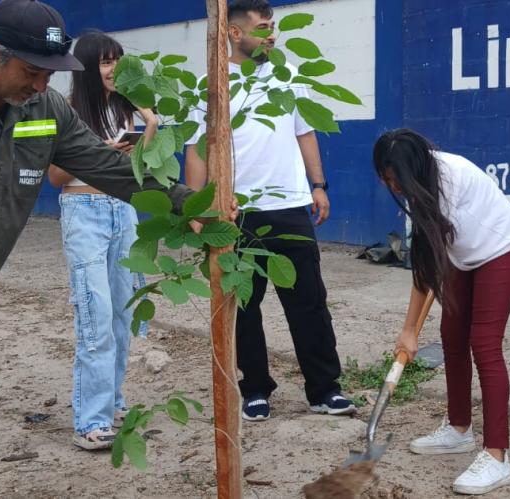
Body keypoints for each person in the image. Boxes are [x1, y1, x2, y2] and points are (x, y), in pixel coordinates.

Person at [0, 0, 192, 496]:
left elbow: (112, 170)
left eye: (50, 75)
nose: (41, 86)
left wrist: (195, 206)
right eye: (33, 72)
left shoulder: (41, 107)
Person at [183, 0, 355, 421]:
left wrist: (319, 186)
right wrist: (194, 206)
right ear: (235, 33)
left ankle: (324, 389)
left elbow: (305, 133)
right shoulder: (211, 85)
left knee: (309, 303)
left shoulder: (288, 77)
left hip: (291, 207)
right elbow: (196, 149)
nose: (272, 34)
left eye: (273, 25)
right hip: (236, 213)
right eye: (263, 27)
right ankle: (255, 390)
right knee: (243, 307)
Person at [374, 129, 510, 495]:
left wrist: (410, 329)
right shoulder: (420, 186)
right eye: (385, 177)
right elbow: (426, 267)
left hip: (499, 248)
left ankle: (496, 456)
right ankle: (459, 428)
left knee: (484, 345)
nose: (390, 185)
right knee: (451, 337)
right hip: (464, 256)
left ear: (412, 170)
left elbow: (427, 268)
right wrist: (409, 329)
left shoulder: (447, 184)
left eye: (394, 178)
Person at [46, 31, 158, 451]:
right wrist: (97, 153)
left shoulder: (123, 109)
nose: (115, 70)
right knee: (95, 318)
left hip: (122, 211)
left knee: (123, 316)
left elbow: (141, 171)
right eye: (106, 62)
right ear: (88, 68)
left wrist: (150, 124)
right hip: (84, 212)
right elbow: (55, 178)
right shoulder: (69, 110)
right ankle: (90, 422)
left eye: (119, 60)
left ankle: (113, 403)